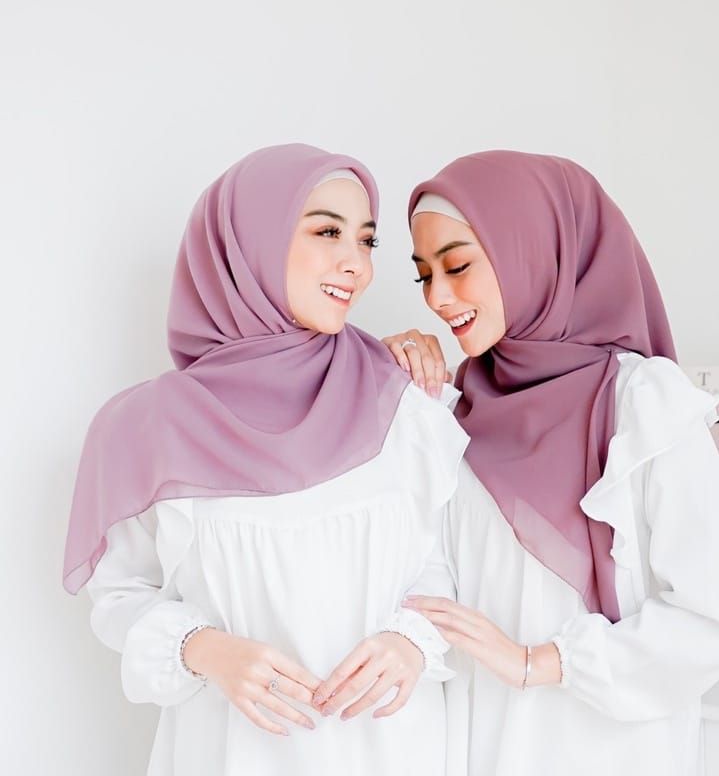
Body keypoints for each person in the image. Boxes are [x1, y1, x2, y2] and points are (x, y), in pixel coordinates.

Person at [63, 144, 468, 775]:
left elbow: (443, 564)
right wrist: (205, 649)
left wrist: (409, 642)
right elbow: (119, 595)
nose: (356, 265)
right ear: (246, 243)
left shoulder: (407, 401)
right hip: (229, 753)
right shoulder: (148, 427)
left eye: (366, 241)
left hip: (391, 748)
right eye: (328, 232)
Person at [383, 151, 719, 776]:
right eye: (424, 275)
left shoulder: (643, 405)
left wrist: (536, 663)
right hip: (480, 741)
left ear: (532, 251)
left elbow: (706, 621)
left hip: (610, 749)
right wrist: (382, 375)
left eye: (457, 265)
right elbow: (418, 570)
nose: (438, 297)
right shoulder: (452, 408)